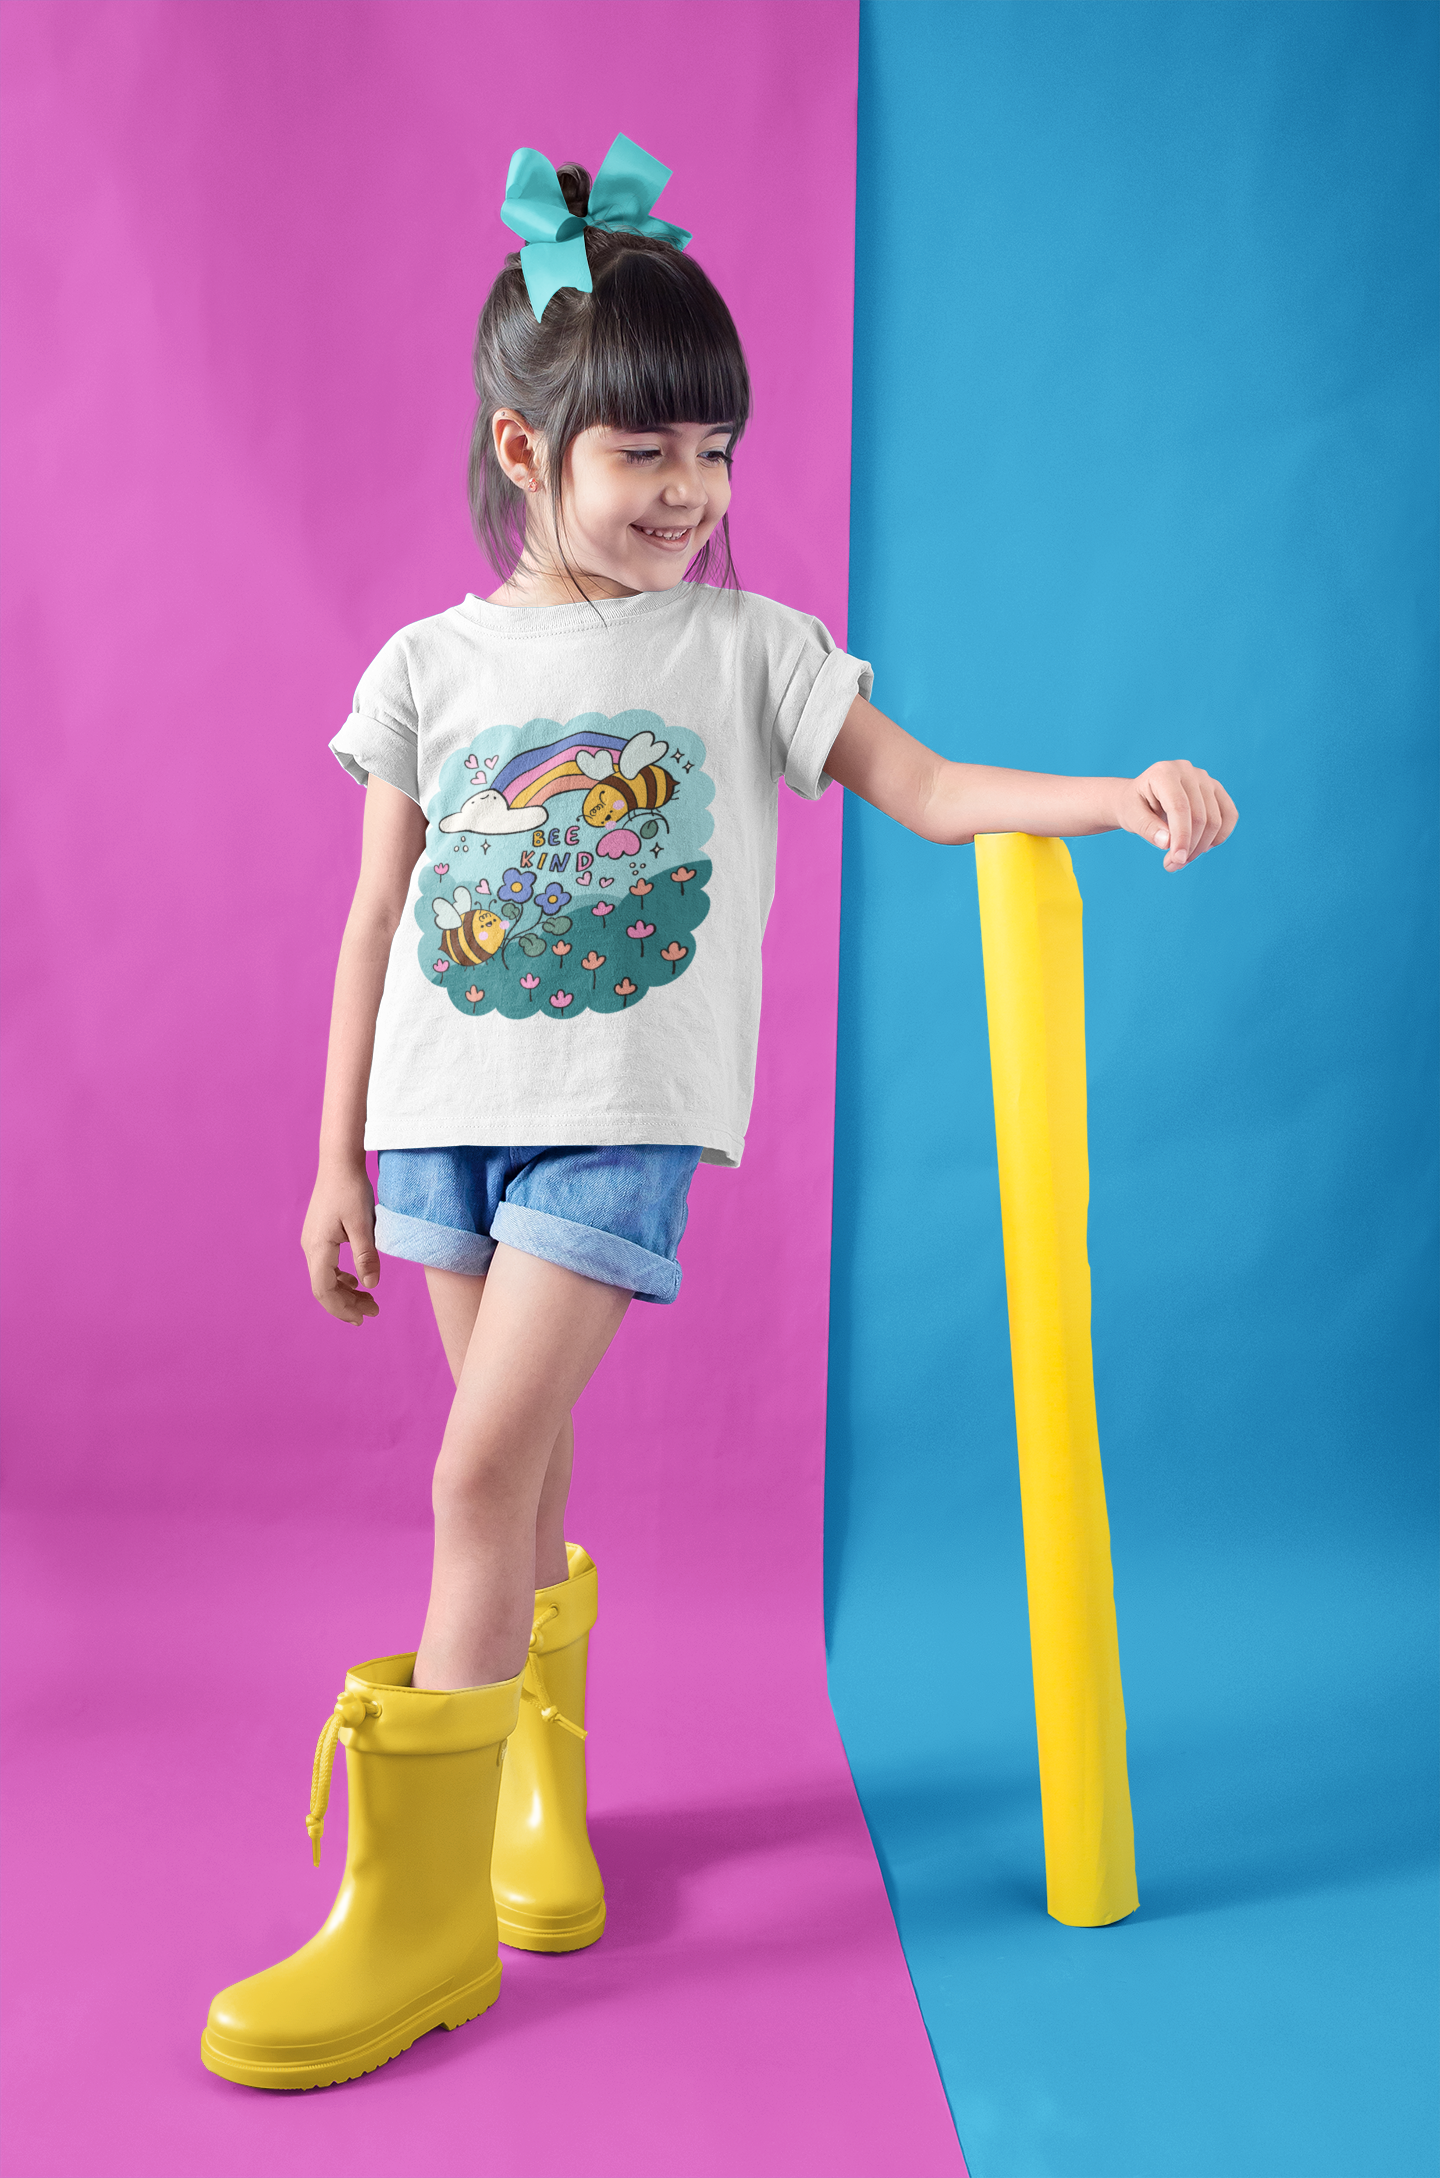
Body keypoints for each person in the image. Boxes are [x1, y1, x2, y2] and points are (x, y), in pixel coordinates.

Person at [201, 135, 1238, 2091]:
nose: (690, 495)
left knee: (471, 1478)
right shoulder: (428, 667)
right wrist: (334, 1152)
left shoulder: (750, 652)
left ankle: (417, 1929)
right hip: (440, 1113)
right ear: (528, 453)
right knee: (522, 1467)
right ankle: (532, 1801)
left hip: (615, 1117)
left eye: (714, 454)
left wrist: (1109, 795)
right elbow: (373, 920)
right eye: (643, 455)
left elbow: (927, 789)